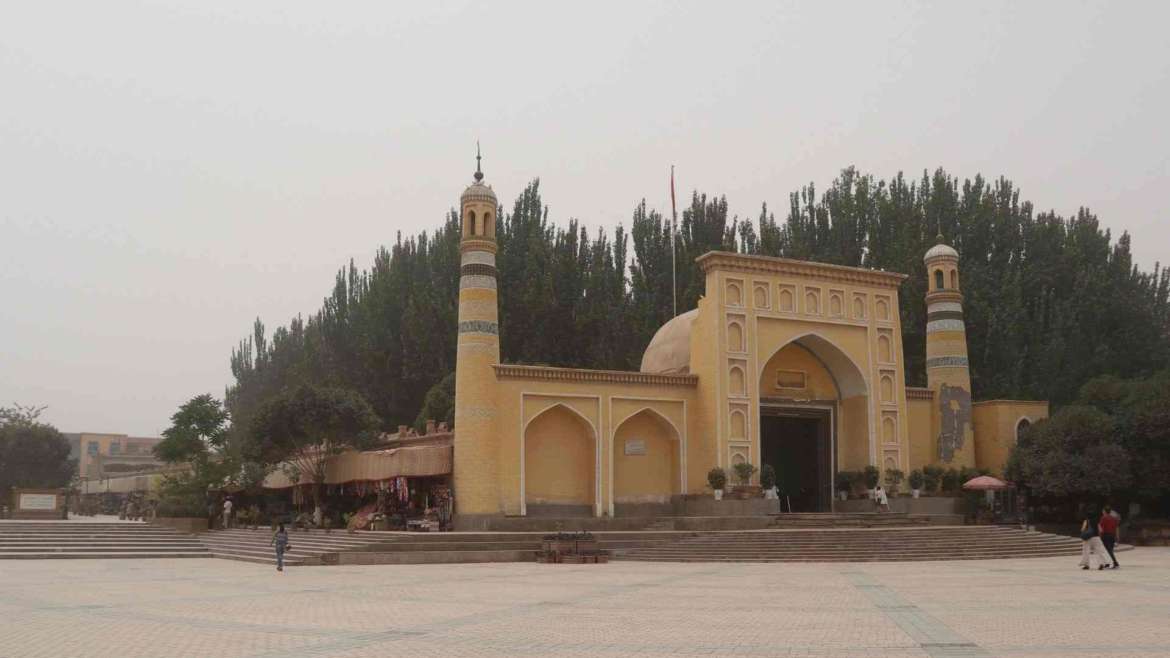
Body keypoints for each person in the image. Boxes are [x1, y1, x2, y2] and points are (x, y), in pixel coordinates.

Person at [1098, 505, 1121, 569]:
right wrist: (1117, 537)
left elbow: (1100, 527)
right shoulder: (1114, 518)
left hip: (1105, 535)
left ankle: (1115, 563)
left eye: (1103, 511)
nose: (1102, 512)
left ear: (1104, 511)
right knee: (1110, 549)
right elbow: (1116, 528)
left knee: (1107, 550)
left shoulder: (1103, 518)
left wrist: (1099, 535)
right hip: (1112, 535)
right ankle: (1107, 563)